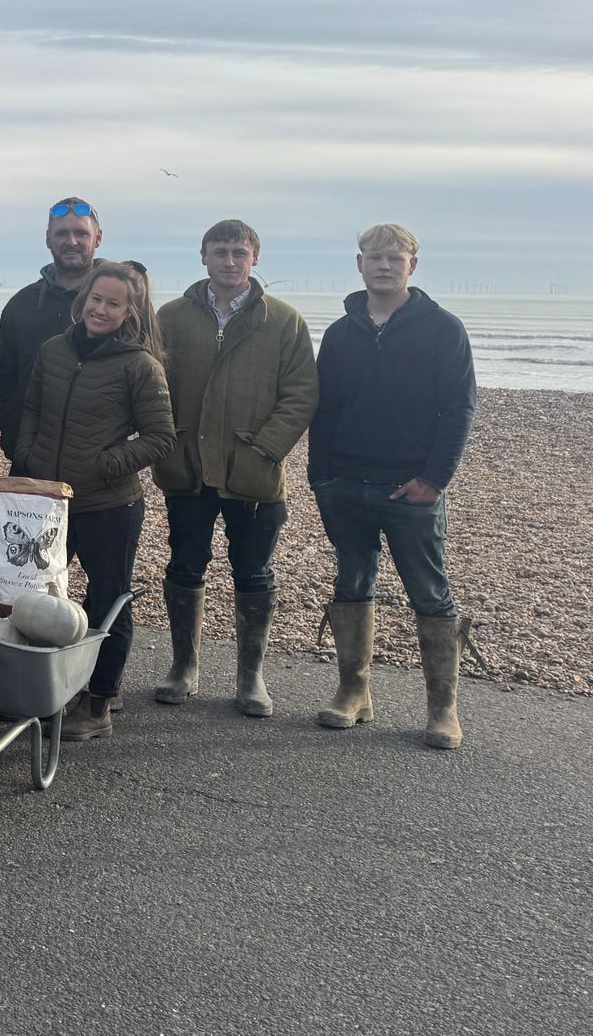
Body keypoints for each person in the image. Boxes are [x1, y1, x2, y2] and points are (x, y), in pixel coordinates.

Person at [310, 224, 477, 749]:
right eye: (375, 258)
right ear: (359, 264)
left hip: (412, 489)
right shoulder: (340, 333)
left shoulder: (443, 330)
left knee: (430, 592)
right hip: (345, 483)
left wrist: (433, 479)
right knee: (352, 583)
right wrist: (321, 477)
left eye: (394, 258)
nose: (384, 266)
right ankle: (353, 693)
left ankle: (442, 710)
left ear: (412, 266)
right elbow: (325, 408)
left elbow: (458, 410)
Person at [152, 221, 317, 717]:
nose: (229, 261)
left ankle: (251, 678)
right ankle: (184, 668)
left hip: (255, 475)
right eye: (220, 252)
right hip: (187, 470)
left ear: (255, 258)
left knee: (254, 573)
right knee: (184, 565)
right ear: (203, 256)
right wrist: (166, 445)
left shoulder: (284, 321)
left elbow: (301, 394)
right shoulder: (172, 317)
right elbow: (151, 385)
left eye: (239, 252)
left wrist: (264, 449)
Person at [10, 261, 174, 742]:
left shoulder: (141, 365)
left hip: (110, 505)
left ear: (130, 312)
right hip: (50, 501)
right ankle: (43, 688)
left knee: (107, 601)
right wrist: (27, 455)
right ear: (83, 301)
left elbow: (161, 437)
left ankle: (100, 701)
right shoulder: (54, 350)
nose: (101, 309)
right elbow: (32, 409)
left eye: (114, 303)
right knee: (39, 595)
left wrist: (105, 463)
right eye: (95, 299)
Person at [0, 197, 103, 467]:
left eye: (81, 233)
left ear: (98, 238)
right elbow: (3, 378)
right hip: (32, 460)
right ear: (48, 239)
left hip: (103, 473)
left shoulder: (121, 303)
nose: (72, 241)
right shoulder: (21, 305)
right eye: (62, 233)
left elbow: (148, 377)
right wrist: (14, 437)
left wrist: (118, 453)